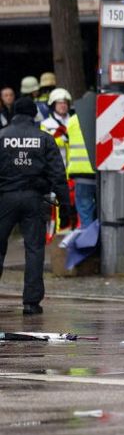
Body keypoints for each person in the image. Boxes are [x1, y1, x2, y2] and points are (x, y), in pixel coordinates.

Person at [0, 97, 72, 314]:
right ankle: (31, 303)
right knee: (34, 249)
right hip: (34, 199)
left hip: (5, 199)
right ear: (33, 114)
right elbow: (58, 175)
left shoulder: (1, 136)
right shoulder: (44, 139)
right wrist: (65, 207)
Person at [65, 112, 97, 228]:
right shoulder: (103, 114)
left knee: (84, 209)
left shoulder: (72, 120)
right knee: (104, 211)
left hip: (80, 172)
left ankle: (88, 239)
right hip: (100, 172)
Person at [40, 88, 72, 166]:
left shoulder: (75, 121)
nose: (63, 105)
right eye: (59, 103)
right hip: (56, 168)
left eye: (65, 103)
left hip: (74, 170)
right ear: (53, 104)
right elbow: (45, 145)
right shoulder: (46, 124)